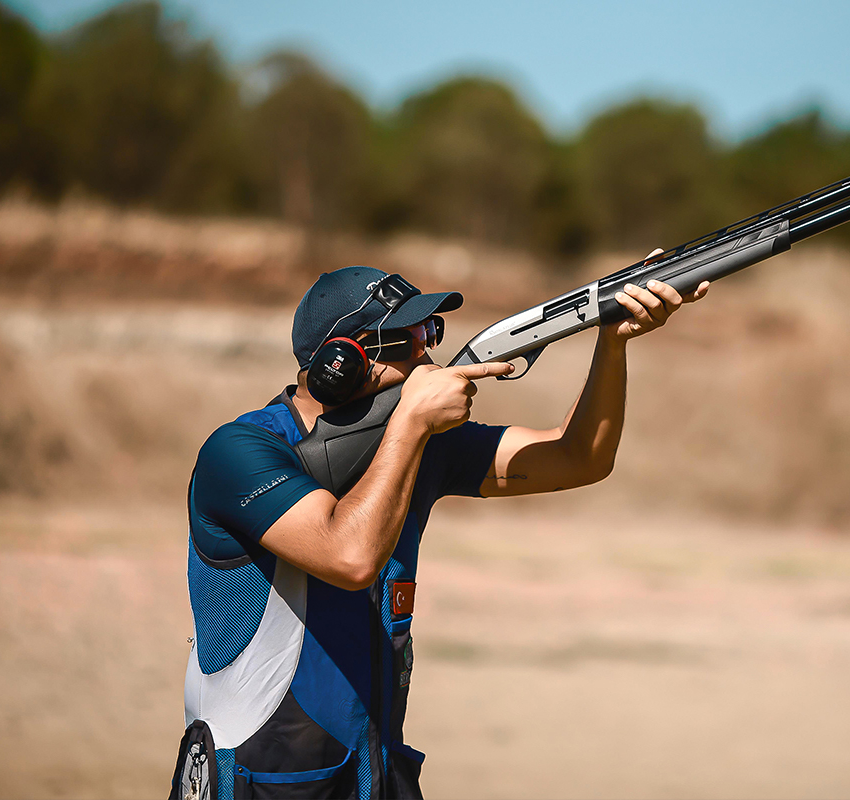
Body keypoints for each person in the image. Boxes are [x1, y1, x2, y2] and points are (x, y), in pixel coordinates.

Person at [169, 263, 708, 800]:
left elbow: (579, 458)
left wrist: (612, 342)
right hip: (255, 778)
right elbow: (350, 558)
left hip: (373, 773)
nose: (429, 357)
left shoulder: (415, 446)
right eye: (411, 340)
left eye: (433, 333)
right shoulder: (239, 452)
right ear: (343, 361)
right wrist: (410, 424)